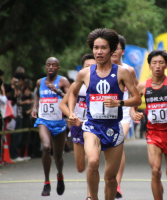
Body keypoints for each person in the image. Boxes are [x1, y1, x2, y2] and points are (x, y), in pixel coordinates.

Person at [68, 28, 141, 200]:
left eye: (103, 48)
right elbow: (72, 93)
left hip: (113, 128)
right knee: (92, 162)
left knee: (110, 178)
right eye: (95, 48)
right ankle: (92, 198)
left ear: (112, 50)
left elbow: (137, 98)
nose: (99, 52)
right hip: (92, 126)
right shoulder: (85, 73)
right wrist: (71, 113)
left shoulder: (122, 72)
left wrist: (120, 102)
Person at [130, 50, 167, 200]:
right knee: (155, 171)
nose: (157, 66)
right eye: (154, 63)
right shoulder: (143, 86)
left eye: (161, 63)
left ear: (166, 65)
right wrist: (133, 114)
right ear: (149, 66)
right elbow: (133, 106)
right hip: (153, 134)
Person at [31, 57, 70, 196]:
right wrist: (35, 107)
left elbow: (71, 98)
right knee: (46, 147)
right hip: (44, 120)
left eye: (54, 65)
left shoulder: (63, 81)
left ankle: (60, 175)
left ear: (58, 67)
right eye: (48, 65)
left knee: (58, 156)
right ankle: (46, 182)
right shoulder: (40, 82)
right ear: (45, 67)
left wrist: (57, 91)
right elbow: (37, 94)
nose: (51, 67)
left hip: (59, 122)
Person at [59, 54, 96, 200]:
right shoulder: (76, 85)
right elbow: (62, 105)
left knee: (92, 161)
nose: (90, 69)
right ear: (82, 69)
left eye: (94, 67)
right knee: (81, 167)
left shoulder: (101, 86)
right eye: (87, 66)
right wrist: (72, 115)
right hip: (77, 126)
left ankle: (89, 195)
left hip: (93, 126)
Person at [110, 35, 138, 199]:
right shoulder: (99, 69)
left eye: (117, 47)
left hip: (124, 114)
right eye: (111, 47)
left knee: (118, 143)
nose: (114, 50)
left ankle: (116, 184)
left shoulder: (129, 70)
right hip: (104, 114)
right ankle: (109, 179)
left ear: (123, 51)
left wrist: (133, 110)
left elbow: (136, 93)